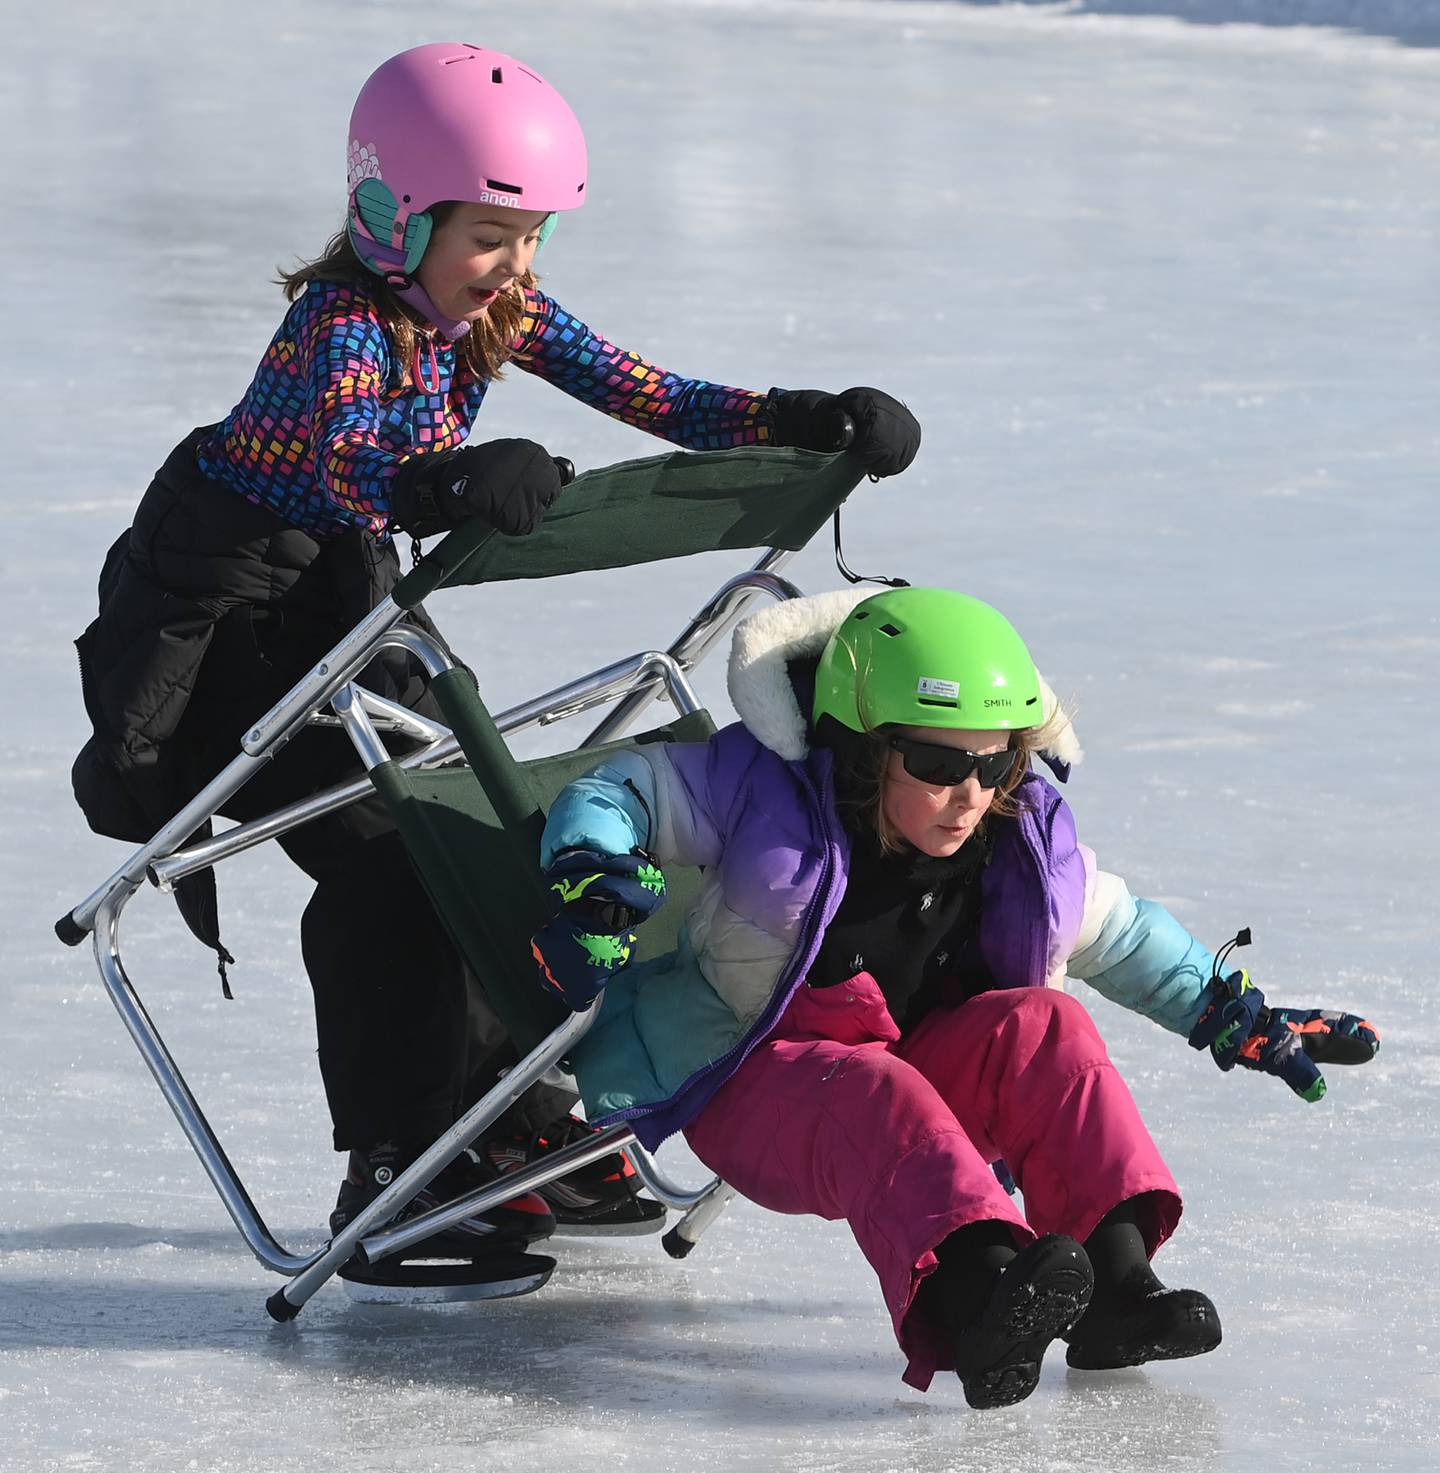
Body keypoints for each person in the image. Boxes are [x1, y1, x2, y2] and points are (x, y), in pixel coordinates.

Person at [68, 42, 921, 1292]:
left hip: (344, 596)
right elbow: (351, 460)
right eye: (488, 236)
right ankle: (397, 1156)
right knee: (383, 859)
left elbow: (648, 393)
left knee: (479, 830)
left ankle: (509, 1117)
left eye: (532, 239)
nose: (515, 268)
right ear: (388, 215)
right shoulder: (341, 323)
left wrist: (799, 416)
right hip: (224, 613)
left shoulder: (492, 312)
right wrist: (443, 481)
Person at [529, 586, 1380, 1402]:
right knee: (876, 1087)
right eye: (936, 762)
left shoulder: (1013, 834)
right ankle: (973, 1303)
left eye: (995, 760)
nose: (970, 792)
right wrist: (594, 868)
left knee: (1048, 1026)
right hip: (756, 1075)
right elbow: (624, 790)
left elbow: (1119, 931)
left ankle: (1118, 1287)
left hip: (912, 1072)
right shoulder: (762, 789)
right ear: (863, 744)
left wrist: (1234, 1013)